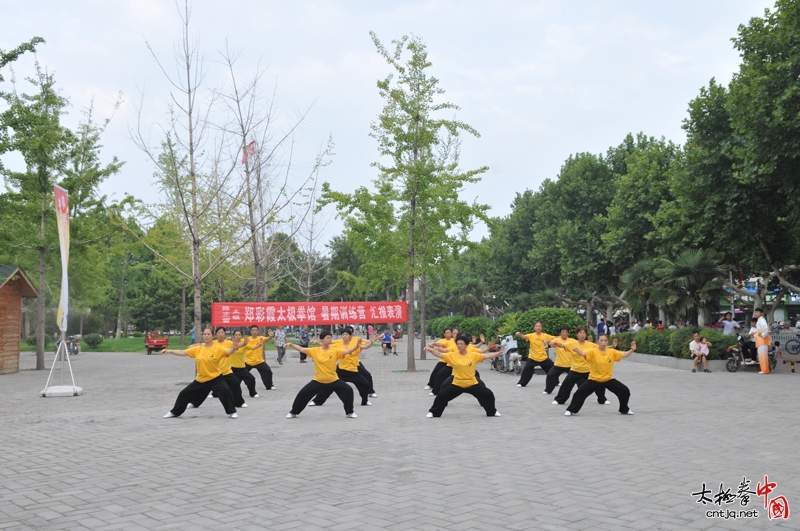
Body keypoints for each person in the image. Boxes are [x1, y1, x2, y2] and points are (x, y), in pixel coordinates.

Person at [161, 328, 239, 419]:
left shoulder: (218, 348)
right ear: (202, 336)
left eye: (208, 334)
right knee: (184, 393)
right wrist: (169, 351)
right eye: (204, 334)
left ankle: (232, 412)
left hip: (215, 378)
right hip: (200, 379)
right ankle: (174, 412)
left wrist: (234, 348)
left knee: (226, 391)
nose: (206, 336)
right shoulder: (198, 349)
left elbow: (228, 352)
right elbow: (183, 352)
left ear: (212, 336)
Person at [284, 331, 363, 418]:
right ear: (322, 339)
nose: (329, 340)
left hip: (333, 379)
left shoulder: (334, 350)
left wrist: (356, 346)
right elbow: (301, 349)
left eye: (330, 338)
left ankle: (350, 412)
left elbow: (347, 351)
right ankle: (293, 412)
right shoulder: (315, 350)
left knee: (348, 390)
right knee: (303, 394)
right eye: (327, 338)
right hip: (319, 380)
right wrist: (291, 344)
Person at [424, 334, 504, 418]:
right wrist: (431, 350)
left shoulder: (473, 355)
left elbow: (487, 355)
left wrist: (499, 353)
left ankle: (492, 412)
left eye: (461, 344)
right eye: (458, 344)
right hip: (457, 383)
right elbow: (440, 355)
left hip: (472, 383)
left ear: (466, 345)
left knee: (488, 394)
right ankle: (433, 412)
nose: (459, 345)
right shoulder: (453, 355)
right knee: (441, 396)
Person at [565, 335, 637, 416]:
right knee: (579, 393)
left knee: (624, 390)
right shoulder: (592, 351)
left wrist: (632, 350)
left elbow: (624, 354)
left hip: (608, 379)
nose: (603, 343)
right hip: (594, 379)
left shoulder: (611, 352)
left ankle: (624, 409)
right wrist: (577, 350)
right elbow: (583, 353)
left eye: (605, 341)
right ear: (598, 341)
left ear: (607, 342)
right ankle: (571, 410)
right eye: (601, 340)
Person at [309, 326, 378, 407]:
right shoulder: (338, 344)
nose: (345, 336)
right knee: (328, 386)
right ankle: (317, 401)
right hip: (341, 371)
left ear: (350, 336)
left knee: (365, 384)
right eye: (343, 334)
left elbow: (365, 346)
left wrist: (372, 342)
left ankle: (365, 401)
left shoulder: (355, 344)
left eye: (346, 334)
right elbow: (327, 344)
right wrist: (317, 342)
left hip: (353, 371)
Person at [551, 326, 610, 406]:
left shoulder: (590, 344)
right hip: (575, 370)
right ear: (577, 334)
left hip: (588, 370)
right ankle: (560, 399)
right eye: (580, 333)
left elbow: (602, 347)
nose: (582, 335)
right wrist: (555, 343)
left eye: (584, 333)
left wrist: (613, 346)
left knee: (599, 382)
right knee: (566, 384)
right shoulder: (572, 343)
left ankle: (602, 399)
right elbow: (562, 345)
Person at [515, 323, 555, 388]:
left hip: (543, 357)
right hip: (533, 357)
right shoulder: (531, 335)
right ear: (534, 328)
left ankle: (556, 382)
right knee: (527, 370)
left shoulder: (545, 335)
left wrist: (563, 337)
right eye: (537, 326)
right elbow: (524, 337)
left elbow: (555, 338)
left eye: (539, 326)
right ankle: (521, 383)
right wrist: (519, 334)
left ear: (541, 328)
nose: (538, 327)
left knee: (553, 369)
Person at [543, 326, 575, 395]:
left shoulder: (572, 341)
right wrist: (547, 341)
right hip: (558, 365)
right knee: (550, 375)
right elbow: (551, 342)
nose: (564, 334)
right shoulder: (557, 340)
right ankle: (548, 390)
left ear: (568, 333)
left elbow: (580, 343)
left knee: (579, 379)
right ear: (560, 333)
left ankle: (582, 391)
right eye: (562, 332)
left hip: (570, 365)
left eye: (566, 332)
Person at [244, 326, 276, 391]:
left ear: (258, 331)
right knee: (239, 373)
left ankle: (269, 385)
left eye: (255, 330)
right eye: (253, 330)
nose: (254, 331)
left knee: (268, 371)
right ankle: (232, 387)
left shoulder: (260, 338)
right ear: (251, 331)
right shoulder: (247, 339)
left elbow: (267, 339)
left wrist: (270, 336)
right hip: (248, 362)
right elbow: (238, 342)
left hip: (259, 361)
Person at [229, 329, 259, 397]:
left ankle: (253, 393)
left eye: (239, 335)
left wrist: (259, 344)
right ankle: (217, 393)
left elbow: (252, 347)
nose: (238, 336)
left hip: (242, 367)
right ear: (234, 336)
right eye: (236, 335)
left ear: (241, 336)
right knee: (233, 383)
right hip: (232, 368)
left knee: (251, 379)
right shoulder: (230, 343)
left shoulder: (244, 344)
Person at [754, 307, 771, 374]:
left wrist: (763, 334)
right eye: (756, 312)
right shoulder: (759, 320)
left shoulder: (762, 320)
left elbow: (765, 328)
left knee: (763, 355)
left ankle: (765, 370)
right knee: (761, 355)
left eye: (758, 312)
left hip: (762, 339)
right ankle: (764, 369)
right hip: (760, 339)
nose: (756, 313)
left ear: (761, 313)